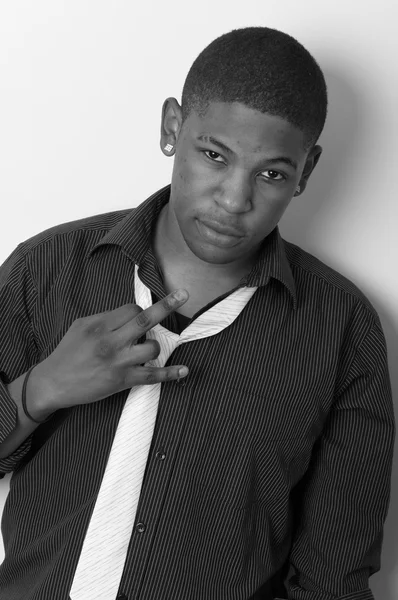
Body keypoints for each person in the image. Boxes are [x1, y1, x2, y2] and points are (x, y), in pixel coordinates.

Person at [0, 26, 395, 600]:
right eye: (214, 156)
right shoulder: (49, 268)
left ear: (306, 172)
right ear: (171, 129)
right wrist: (39, 390)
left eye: (271, 174)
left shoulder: (341, 328)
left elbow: (333, 576)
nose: (235, 200)